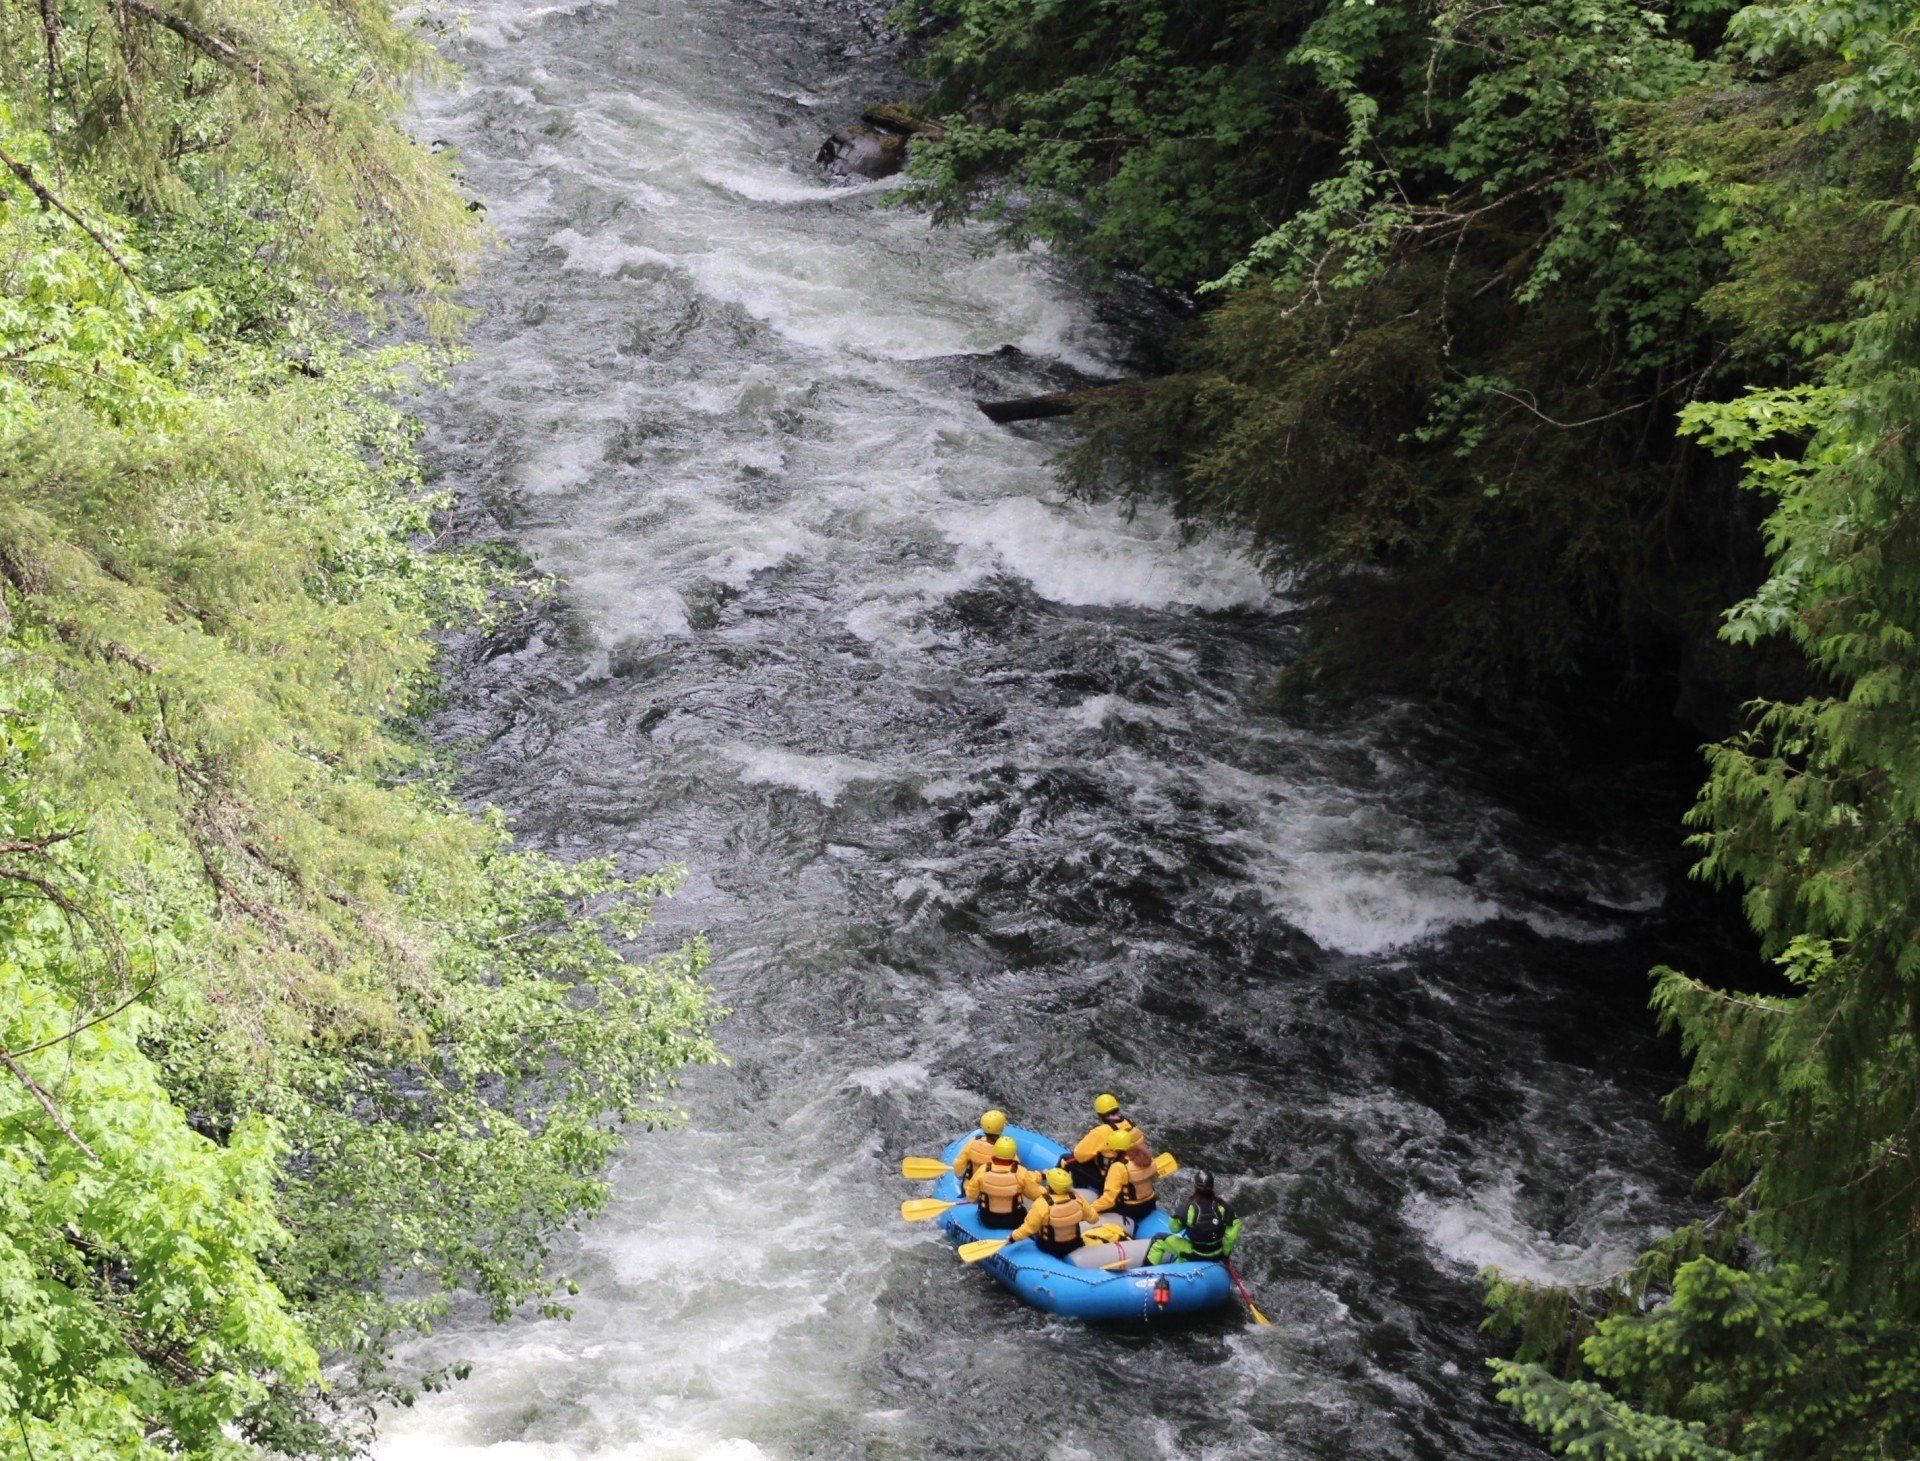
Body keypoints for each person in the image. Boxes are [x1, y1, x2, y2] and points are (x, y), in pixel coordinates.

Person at [1147, 1170, 1241, 1265]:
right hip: (1217, 1254)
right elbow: (1231, 1236)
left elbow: (1173, 1228)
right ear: (1212, 1186)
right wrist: (1225, 1254)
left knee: (1158, 1240)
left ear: (1195, 1185)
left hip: (1195, 1253)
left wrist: (1185, 1224)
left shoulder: (1187, 1208)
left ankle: (1144, 1275)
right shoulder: (1224, 1207)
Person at [1007, 1167, 1097, 1259]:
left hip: (1050, 1247)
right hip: (1074, 1244)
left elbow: (1029, 1228)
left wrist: (1012, 1238)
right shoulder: (1078, 1200)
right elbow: (1094, 1219)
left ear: (1049, 1186)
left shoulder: (1042, 1204)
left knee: (1034, 1231)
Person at [964, 1135, 1044, 1229]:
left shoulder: (983, 1170)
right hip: (1014, 1221)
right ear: (1013, 1154)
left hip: (988, 1220)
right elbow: (1036, 1194)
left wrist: (976, 1199)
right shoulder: (1021, 1172)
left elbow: (970, 1195)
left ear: (995, 1152)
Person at [1066, 1093, 1139, 1188]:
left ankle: (1076, 1192)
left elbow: (1079, 1155)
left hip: (1111, 1179)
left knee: (1068, 1159)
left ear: (1099, 1114)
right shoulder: (1130, 1123)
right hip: (1132, 1171)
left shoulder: (1102, 1132)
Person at [1091, 1128, 1158, 1224]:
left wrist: (1090, 1209)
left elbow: (1109, 1200)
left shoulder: (1119, 1166)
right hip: (1151, 1203)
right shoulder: (1149, 1159)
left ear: (1116, 1149)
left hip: (1132, 1210)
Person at [952, 1109, 1009, 1183]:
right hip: (995, 1187)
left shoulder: (973, 1142)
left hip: (973, 1185)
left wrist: (958, 1175)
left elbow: (960, 1162)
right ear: (1002, 1128)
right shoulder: (1007, 1147)